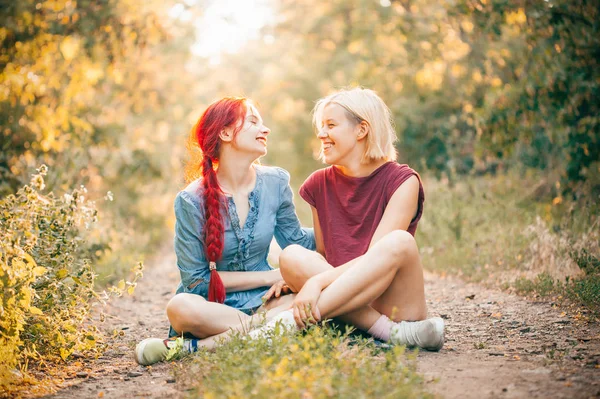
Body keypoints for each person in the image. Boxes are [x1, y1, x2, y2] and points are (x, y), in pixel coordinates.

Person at [135, 97, 315, 366]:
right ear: (226, 133)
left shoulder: (276, 182)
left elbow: (297, 242)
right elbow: (196, 280)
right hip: (210, 307)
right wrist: (274, 275)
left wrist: (332, 208)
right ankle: (269, 330)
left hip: (266, 300)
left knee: (310, 298)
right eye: (253, 122)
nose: (265, 129)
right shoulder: (191, 200)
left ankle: (193, 348)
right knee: (179, 307)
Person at [276, 87, 445, 350]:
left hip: (392, 301)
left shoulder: (402, 180)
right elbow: (324, 255)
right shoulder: (318, 184)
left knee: (399, 242)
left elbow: (377, 259)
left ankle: (276, 328)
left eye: (330, 125)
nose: (321, 134)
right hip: (347, 299)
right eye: (321, 126)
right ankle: (390, 333)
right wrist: (296, 276)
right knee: (291, 256)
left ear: (361, 130)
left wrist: (314, 282)